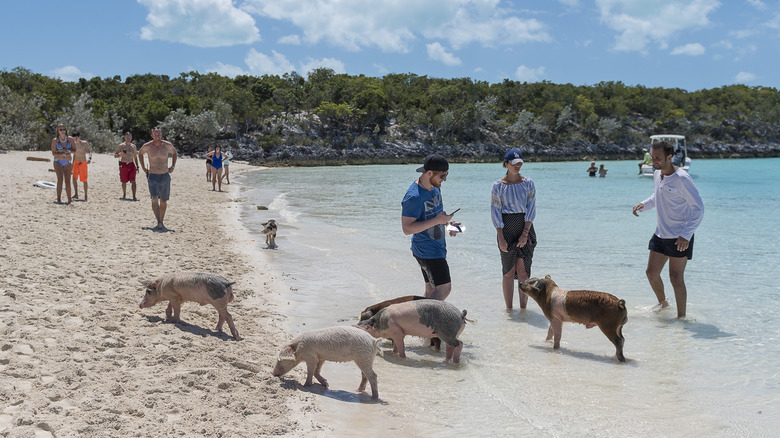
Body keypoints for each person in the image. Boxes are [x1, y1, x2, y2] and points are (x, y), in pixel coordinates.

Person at [632, 140, 703, 318]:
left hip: (679, 236)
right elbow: (658, 196)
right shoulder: (657, 173)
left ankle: (681, 318)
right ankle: (663, 304)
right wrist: (643, 204)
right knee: (651, 273)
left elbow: (698, 208)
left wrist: (686, 235)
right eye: (652, 156)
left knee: (675, 277)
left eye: (658, 157)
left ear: (669, 157)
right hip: (660, 233)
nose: (653, 160)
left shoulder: (682, 179)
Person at [401, 154, 460, 301]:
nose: (445, 179)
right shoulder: (413, 197)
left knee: (431, 290)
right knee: (444, 289)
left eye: (447, 174)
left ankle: (417, 321)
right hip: (427, 250)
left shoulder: (435, 188)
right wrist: (437, 220)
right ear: (429, 173)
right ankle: (422, 321)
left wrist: (448, 224)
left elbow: (434, 215)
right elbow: (407, 229)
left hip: (435, 248)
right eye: (442, 175)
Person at [491, 148, 537, 310]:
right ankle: (509, 310)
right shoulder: (498, 185)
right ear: (506, 164)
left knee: (523, 271)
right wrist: (500, 236)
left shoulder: (528, 183)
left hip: (525, 225)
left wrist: (525, 233)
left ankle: (524, 309)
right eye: (514, 163)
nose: (517, 166)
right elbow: (495, 210)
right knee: (508, 271)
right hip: (506, 228)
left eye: (520, 163)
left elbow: (531, 209)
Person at [139, 127, 177, 231]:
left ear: (161, 134)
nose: (157, 136)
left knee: (164, 201)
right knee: (154, 199)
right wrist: (143, 167)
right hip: (153, 175)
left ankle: (161, 222)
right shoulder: (147, 146)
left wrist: (173, 166)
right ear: (152, 135)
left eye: (159, 134)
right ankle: (159, 221)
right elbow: (140, 154)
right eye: (155, 134)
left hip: (164, 175)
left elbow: (174, 153)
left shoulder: (167, 145)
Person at [50, 124, 74, 204]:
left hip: (68, 162)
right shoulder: (55, 140)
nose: (62, 131)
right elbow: (53, 153)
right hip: (58, 161)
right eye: (60, 129)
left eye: (64, 129)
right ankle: (59, 198)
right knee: (60, 179)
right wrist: (63, 153)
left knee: (68, 181)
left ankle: (69, 199)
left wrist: (69, 152)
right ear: (58, 131)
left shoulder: (70, 139)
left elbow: (74, 150)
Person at [114, 132, 140, 201]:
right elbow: (115, 155)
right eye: (127, 137)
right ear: (124, 137)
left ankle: (134, 196)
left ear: (131, 137)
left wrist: (137, 166)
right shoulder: (121, 146)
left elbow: (135, 157)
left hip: (131, 164)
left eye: (129, 137)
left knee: (133, 180)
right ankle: (124, 194)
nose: (128, 139)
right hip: (123, 164)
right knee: (123, 180)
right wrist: (120, 154)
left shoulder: (133, 146)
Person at [70, 131, 92, 201]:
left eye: (76, 138)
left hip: (83, 162)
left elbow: (89, 151)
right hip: (76, 162)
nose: (75, 140)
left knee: (84, 179)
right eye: (74, 139)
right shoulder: (73, 144)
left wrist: (89, 158)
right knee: (74, 178)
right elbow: (74, 155)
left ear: (79, 137)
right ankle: (76, 194)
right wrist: (72, 164)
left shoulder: (84, 143)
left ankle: (86, 195)